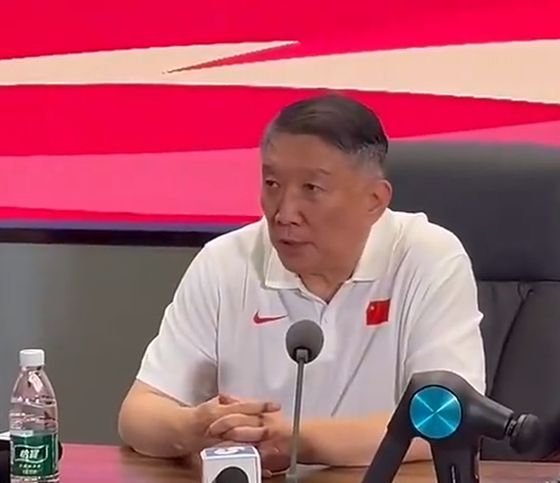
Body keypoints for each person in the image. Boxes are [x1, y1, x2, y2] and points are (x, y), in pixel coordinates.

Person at [118, 94, 486, 475]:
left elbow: (448, 419)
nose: (284, 213)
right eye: (272, 183)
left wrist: (298, 440)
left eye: (311, 189)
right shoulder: (225, 262)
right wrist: (194, 427)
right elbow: (138, 414)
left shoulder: (428, 257)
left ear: (374, 200)